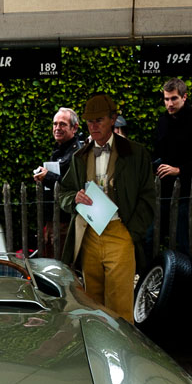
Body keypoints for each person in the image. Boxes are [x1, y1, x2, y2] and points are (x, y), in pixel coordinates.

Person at [60, 92, 155, 322]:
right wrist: (75, 199)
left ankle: (123, 355)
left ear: (113, 119)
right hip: (90, 235)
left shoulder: (135, 153)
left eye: (99, 120)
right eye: (90, 121)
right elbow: (64, 193)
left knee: (121, 305)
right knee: (93, 303)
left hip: (120, 232)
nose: (93, 126)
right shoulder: (79, 156)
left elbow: (148, 197)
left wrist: (131, 232)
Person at [152, 77, 192, 254]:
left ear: (184, 97)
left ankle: (185, 277)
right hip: (164, 189)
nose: (169, 103)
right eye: (166, 99)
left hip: (190, 190)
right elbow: (158, 152)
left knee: (183, 240)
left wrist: (180, 170)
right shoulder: (162, 121)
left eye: (174, 98)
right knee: (152, 236)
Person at [33, 107, 83, 253]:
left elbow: (74, 185)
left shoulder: (77, 153)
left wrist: (47, 176)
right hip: (52, 219)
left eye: (62, 124)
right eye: (55, 124)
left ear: (75, 128)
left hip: (65, 221)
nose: (57, 128)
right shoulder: (59, 149)